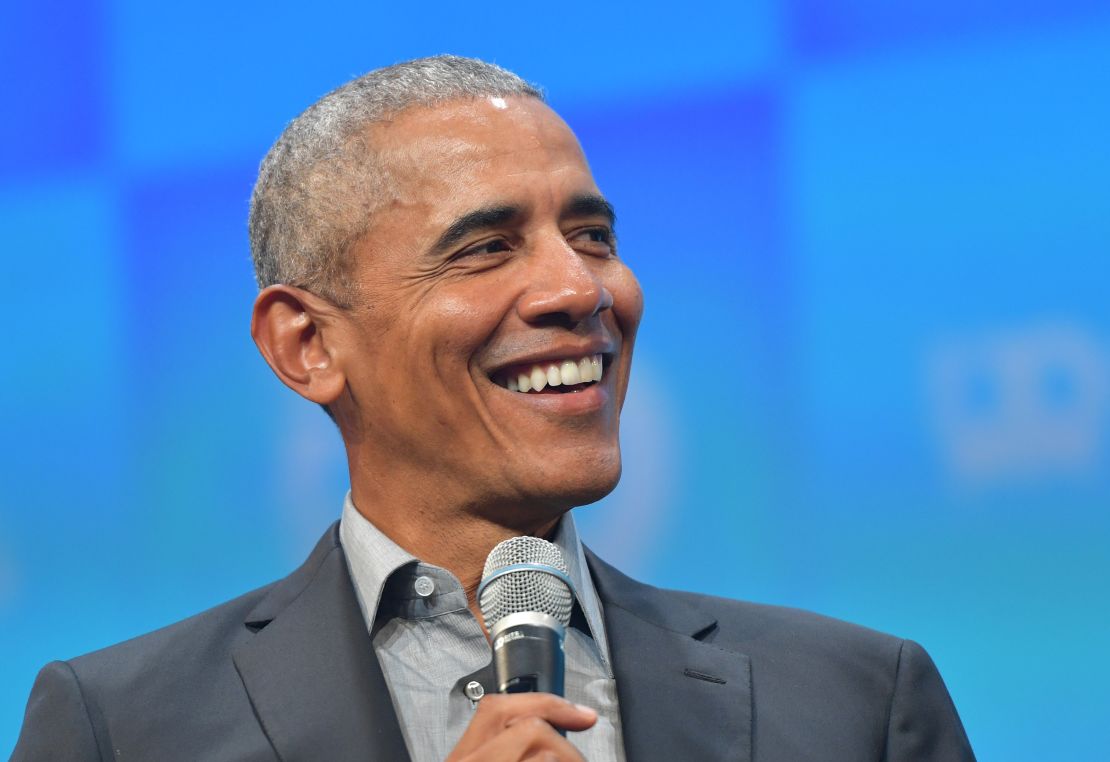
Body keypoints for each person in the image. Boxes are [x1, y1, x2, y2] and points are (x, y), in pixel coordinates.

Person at [13, 55, 975, 761]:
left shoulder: (855, 703)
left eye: (592, 234)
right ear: (308, 346)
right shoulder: (120, 728)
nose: (579, 289)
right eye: (485, 248)